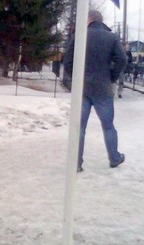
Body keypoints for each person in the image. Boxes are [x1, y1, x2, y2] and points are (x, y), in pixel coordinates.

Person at [63, 10, 127, 172]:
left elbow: (68, 60)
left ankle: (76, 163)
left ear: (89, 20)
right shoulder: (111, 37)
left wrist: (75, 78)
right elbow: (122, 59)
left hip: (82, 88)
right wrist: (111, 77)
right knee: (108, 125)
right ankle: (114, 158)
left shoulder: (80, 36)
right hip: (103, 88)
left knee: (80, 127)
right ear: (100, 21)